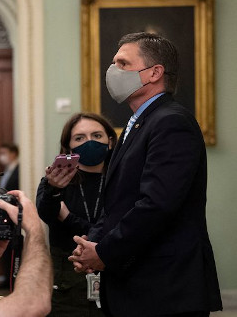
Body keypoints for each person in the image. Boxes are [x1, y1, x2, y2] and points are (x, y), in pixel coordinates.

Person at [69, 32, 222, 316]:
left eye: (122, 63)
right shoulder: (138, 123)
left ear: (154, 73)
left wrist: (104, 253)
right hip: (134, 285)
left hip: (163, 289)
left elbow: (156, 205)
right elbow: (116, 201)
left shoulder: (172, 122)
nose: (113, 71)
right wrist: (93, 244)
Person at [36, 112, 116, 316]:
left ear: (110, 141)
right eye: (80, 138)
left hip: (115, 273)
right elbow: (46, 214)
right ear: (68, 146)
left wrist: (69, 218)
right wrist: (53, 189)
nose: (89, 142)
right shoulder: (54, 180)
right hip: (67, 279)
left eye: (97, 136)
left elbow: (117, 227)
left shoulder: (122, 179)